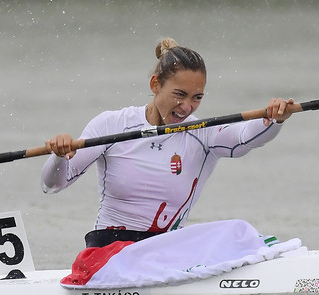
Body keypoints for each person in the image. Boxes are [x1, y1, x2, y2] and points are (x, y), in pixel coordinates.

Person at [41, 37, 294, 249]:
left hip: (164, 252)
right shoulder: (111, 125)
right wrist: (60, 156)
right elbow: (52, 184)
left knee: (238, 231)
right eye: (179, 95)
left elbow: (244, 138)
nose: (187, 107)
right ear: (155, 84)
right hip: (108, 250)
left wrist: (273, 119)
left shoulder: (203, 133)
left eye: (197, 98)